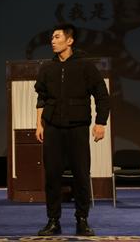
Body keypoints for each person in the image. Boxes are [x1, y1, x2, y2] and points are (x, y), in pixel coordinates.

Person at [34, 23, 111, 236]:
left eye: (57, 37)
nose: (52, 41)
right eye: (52, 37)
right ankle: (53, 220)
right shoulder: (47, 68)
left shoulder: (85, 66)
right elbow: (41, 98)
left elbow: (102, 95)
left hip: (77, 127)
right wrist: (39, 124)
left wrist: (101, 122)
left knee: (81, 174)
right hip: (52, 127)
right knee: (52, 175)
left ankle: (82, 219)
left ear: (69, 40)